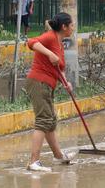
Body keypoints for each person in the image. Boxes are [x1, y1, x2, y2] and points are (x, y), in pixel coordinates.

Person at [25, 13, 76, 172]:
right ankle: (34, 162)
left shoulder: (59, 43)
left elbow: (59, 68)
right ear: (64, 27)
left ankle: (59, 156)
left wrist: (65, 83)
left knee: (50, 121)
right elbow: (31, 42)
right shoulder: (50, 37)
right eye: (72, 25)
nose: (73, 28)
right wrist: (49, 53)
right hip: (39, 82)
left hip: (47, 84)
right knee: (43, 120)